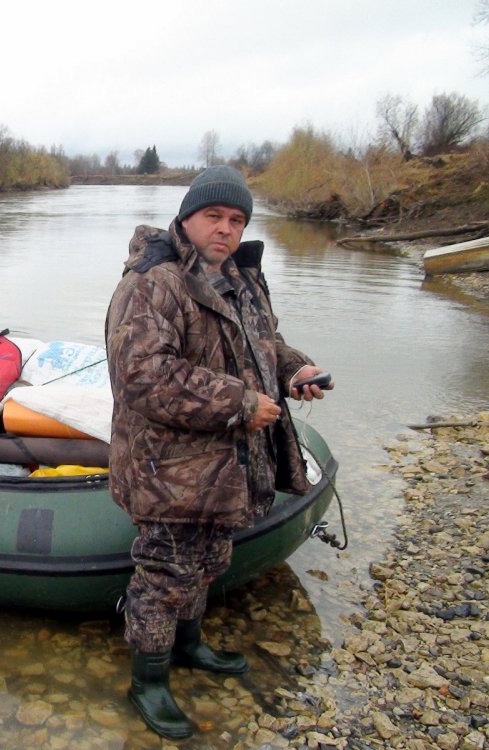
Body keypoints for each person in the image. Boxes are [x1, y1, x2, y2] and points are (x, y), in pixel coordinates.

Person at [105, 165, 333, 739]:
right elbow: (142, 376)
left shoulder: (242, 276)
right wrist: (238, 402)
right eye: (215, 217)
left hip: (226, 465)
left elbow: (265, 344)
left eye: (237, 220)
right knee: (161, 575)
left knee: (207, 562)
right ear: (186, 217)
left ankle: (190, 647)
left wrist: (294, 368)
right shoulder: (152, 282)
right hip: (169, 469)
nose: (226, 229)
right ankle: (148, 682)